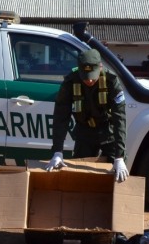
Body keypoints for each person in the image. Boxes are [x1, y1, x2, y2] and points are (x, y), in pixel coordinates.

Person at [46, 48, 128, 182]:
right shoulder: (70, 82)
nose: (89, 81)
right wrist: (57, 151)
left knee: (119, 174)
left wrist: (119, 156)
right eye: (85, 77)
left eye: (92, 76)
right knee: (80, 176)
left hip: (108, 132)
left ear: (100, 67)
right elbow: (61, 117)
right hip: (84, 132)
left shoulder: (111, 82)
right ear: (79, 70)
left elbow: (120, 118)